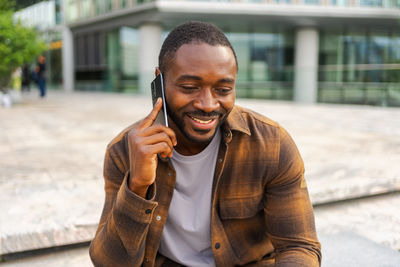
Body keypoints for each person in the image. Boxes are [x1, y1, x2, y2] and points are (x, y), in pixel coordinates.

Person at [89, 21, 321, 267]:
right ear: (160, 81)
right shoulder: (124, 151)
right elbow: (109, 263)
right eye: (189, 87)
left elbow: (299, 246)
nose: (208, 104)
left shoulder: (272, 144)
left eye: (223, 89)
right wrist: (137, 186)